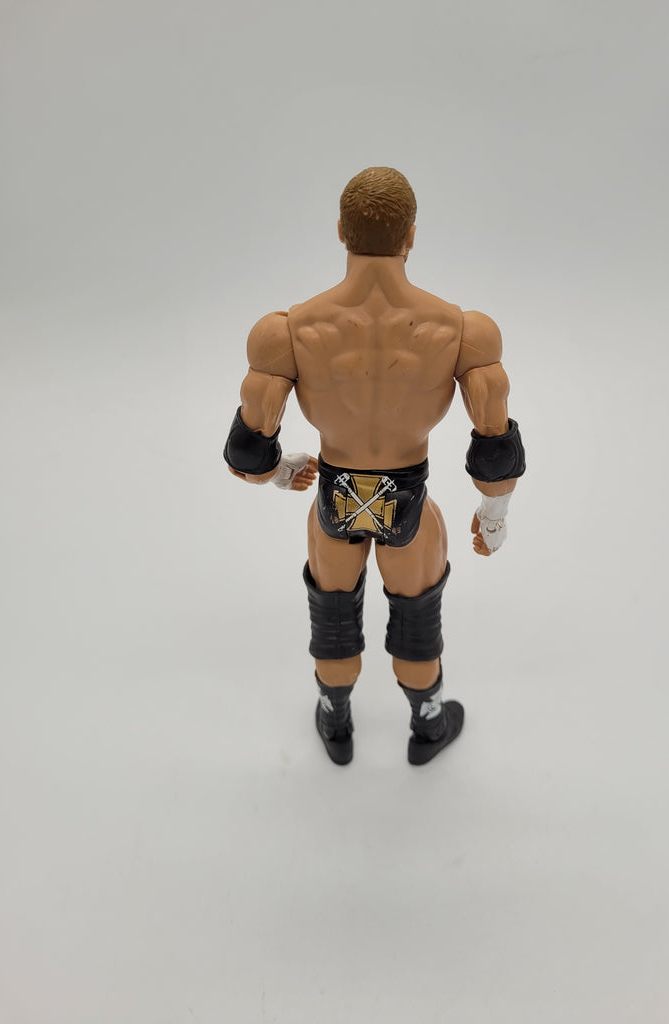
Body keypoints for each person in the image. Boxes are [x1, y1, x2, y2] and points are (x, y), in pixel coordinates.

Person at [224, 167, 525, 766]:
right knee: (417, 620)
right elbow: (495, 444)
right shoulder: (462, 331)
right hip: (407, 502)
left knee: (333, 617)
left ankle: (335, 722)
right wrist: (494, 516)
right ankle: (428, 726)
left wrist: (281, 472)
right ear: (411, 236)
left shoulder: (288, 331)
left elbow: (248, 452)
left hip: (335, 496)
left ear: (340, 231)